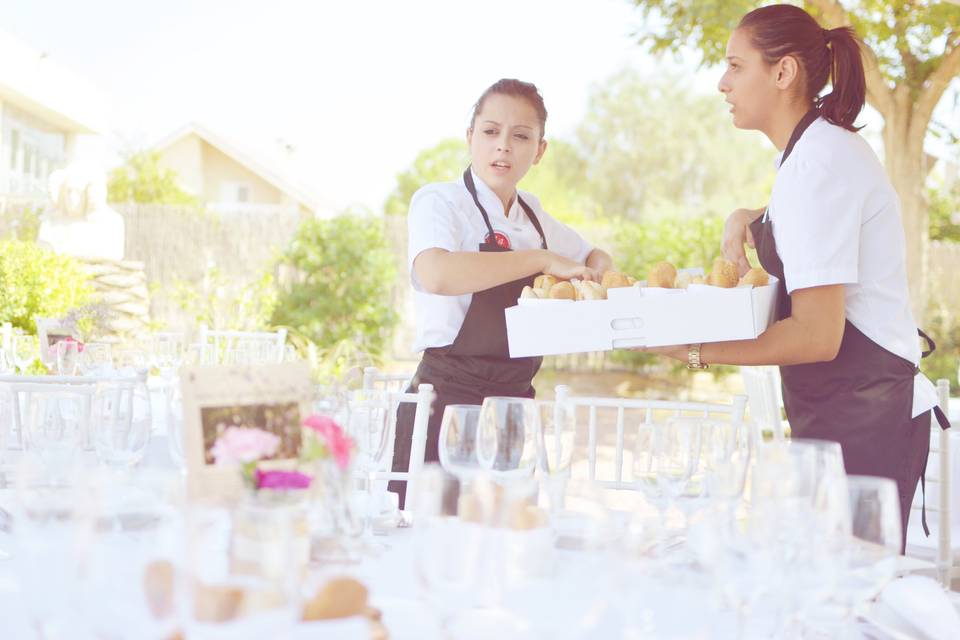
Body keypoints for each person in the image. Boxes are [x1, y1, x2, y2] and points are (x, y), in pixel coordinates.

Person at [646, 4, 946, 547]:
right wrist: (749, 218)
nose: (721, 83)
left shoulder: (818, 162)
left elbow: (816, 334)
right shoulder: (812, 153)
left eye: (736, 67)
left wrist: (693, 349)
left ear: (783, 73)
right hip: (843, 407)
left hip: (862, 417)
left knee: (846, 601)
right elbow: (811, 225)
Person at [390, 78, 613, 506]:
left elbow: (596, 256)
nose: (503, 147)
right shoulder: (440, 202)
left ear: (540, 150)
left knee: (509, 543)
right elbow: (436, 273)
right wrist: (540, 260)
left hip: (514, 405)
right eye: (491, 132)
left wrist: (593, 279)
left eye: (521, 136)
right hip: (447, 404)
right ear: (470, 137)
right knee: (433, 547)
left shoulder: (533, 216)